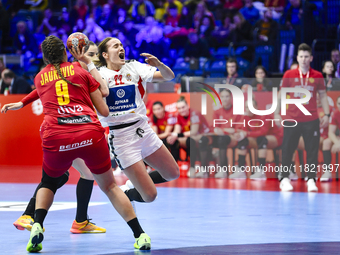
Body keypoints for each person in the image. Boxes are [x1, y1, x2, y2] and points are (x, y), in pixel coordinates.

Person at [1, 35, 150, 252]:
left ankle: (37, 224)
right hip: (88, 133)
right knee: (109, 186)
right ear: (66, 53)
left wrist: (23, 102)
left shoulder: (39, 77)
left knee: (49, 182)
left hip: (56, 136)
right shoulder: (81, 72)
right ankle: (140, 234)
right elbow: (105, 108)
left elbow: (46, 86)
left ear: (44, 57)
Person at [12, 41, 108, 234]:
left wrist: (22, 102)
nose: (93, 57)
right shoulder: (79, 69)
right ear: (75, 53)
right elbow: (104, 95)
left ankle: (33, 216)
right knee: (68, 175)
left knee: (61, 175)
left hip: (66, 128)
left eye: (95, 54)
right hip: (72, 128)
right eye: (90, 53)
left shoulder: (78, 70)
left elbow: (41, 86)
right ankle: (75, 221)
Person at [93, 37, 179, 207]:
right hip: (121, 137)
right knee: (149, 196)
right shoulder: (98, 75)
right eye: (115, 46)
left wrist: (159, 64)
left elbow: (169, 76)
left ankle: (134, 183)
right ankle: (127, 192)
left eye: (121, 45)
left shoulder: (133, 66)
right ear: (105, 54)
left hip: (143, 130)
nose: (121, 48)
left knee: (172, 173)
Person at [275, 43, 330, 192]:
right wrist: (277, 113)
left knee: (312, 150)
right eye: (301, 57)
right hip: (292, 118)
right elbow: (281, 95)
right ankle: (284, 178)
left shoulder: (318, 75)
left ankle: (311, 179)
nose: (304, 59)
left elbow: (323, 96)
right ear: (297, 58)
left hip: (311, 119)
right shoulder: (289, 74)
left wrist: (327, 114)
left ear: (311, 58)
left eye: (306, 56)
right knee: (287, 149)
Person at [231, 99, 283, 179]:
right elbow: (245, 131)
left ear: (256, 107)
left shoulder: (264, 115)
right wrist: (240, 135)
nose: (249, 109)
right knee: (242, 140)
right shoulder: (246, 117)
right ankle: (241, 170)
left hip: (275, 137)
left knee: (262, 140)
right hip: (257, 138)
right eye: (247, 107)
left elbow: (263, 132)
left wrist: (247, 134)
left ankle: (261, 171)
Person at [211, 89, 239, 178]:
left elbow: (235, 129)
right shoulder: (217, 111)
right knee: (203, 140)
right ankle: (202, 170)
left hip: (232, 138)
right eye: (222, 97)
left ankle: (223, 170)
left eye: (227, 96)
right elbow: (214, 127)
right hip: (220, 137)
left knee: (222, 139)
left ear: (231, 97)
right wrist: (218, 130)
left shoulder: (237, 111)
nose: (225, 99)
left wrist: (223, 130)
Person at [321, 96, 340, 182]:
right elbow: (331, 132)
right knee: (326, 142)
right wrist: (337, 142)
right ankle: (327, 171)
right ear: (336, 104)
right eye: (339, 104)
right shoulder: (335, 113)